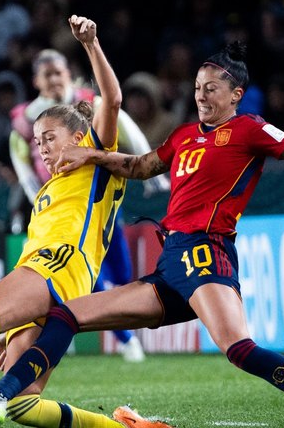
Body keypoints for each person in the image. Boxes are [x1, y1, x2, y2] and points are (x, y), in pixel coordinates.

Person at [0, 42, 284, 428]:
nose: (201, 95)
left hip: (206, 255)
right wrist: (91, 156)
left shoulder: (249, 130)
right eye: (197, 88)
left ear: (236, 93)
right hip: (170, 263)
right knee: (66, 315)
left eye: (211, 88)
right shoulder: (182, 137)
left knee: (239, 349)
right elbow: (138, 167)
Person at [0, 15, 170, 428]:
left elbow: (112, 100)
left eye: (49, 138)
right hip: (60, 276)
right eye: (37, 140)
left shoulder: (93, 160)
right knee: (21, 404)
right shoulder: (49, 187)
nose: (41, 148)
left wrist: (91, 45)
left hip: (57, 264)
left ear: (79, 138)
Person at [9, 48, 169, 362]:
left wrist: (152, 173)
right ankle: (121, 339)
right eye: (47, 74)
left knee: (120, 272)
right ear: (36, 80)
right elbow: (22, 165)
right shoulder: (26, 120)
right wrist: (40, 203)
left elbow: (122, 123)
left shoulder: (87, 102)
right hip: (64, 209)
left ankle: (107, 329)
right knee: (83, 270)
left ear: (68, 73)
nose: (55, 79)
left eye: (59, 71)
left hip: (100, 197)